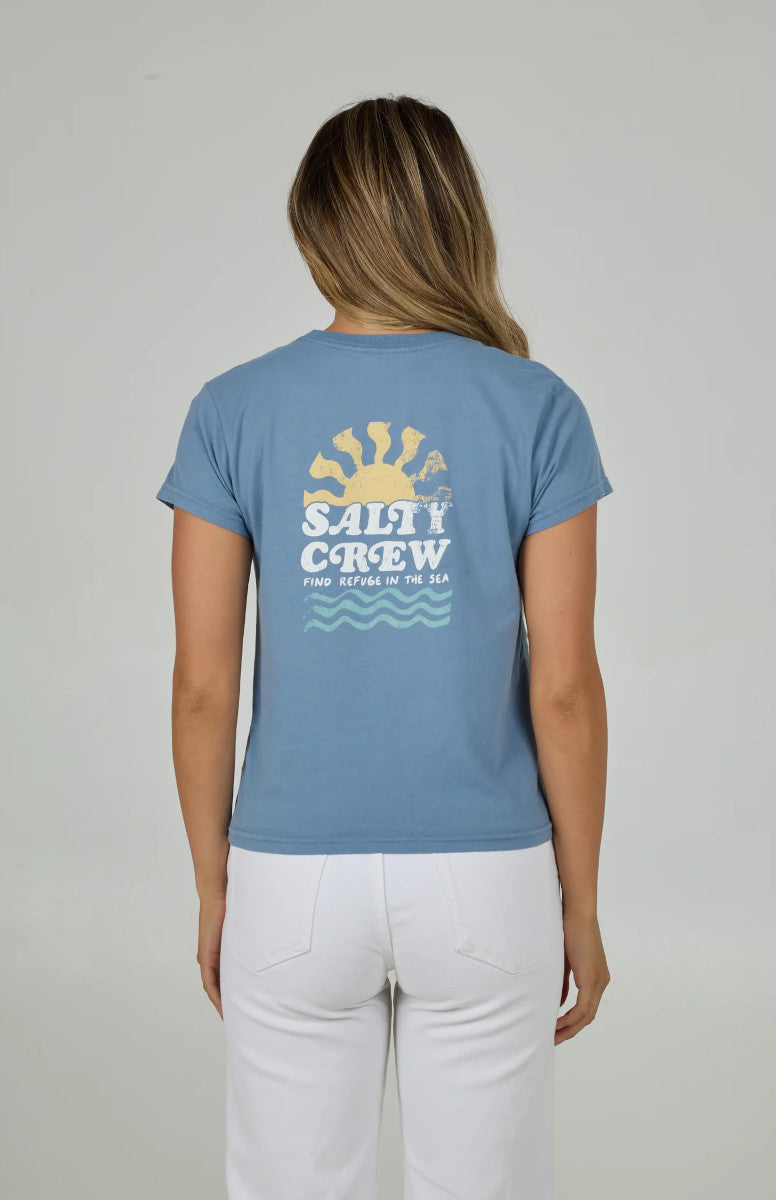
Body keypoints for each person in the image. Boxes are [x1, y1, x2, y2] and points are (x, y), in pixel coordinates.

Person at [156, 94, 613, 1200]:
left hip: (289, 877)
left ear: (316, 227)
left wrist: (216, 887)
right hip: (487, 876)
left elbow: (204, 686)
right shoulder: (536, 406)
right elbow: (561, 687)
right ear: (455, 218)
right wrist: (580, 902)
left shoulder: (232, 409)